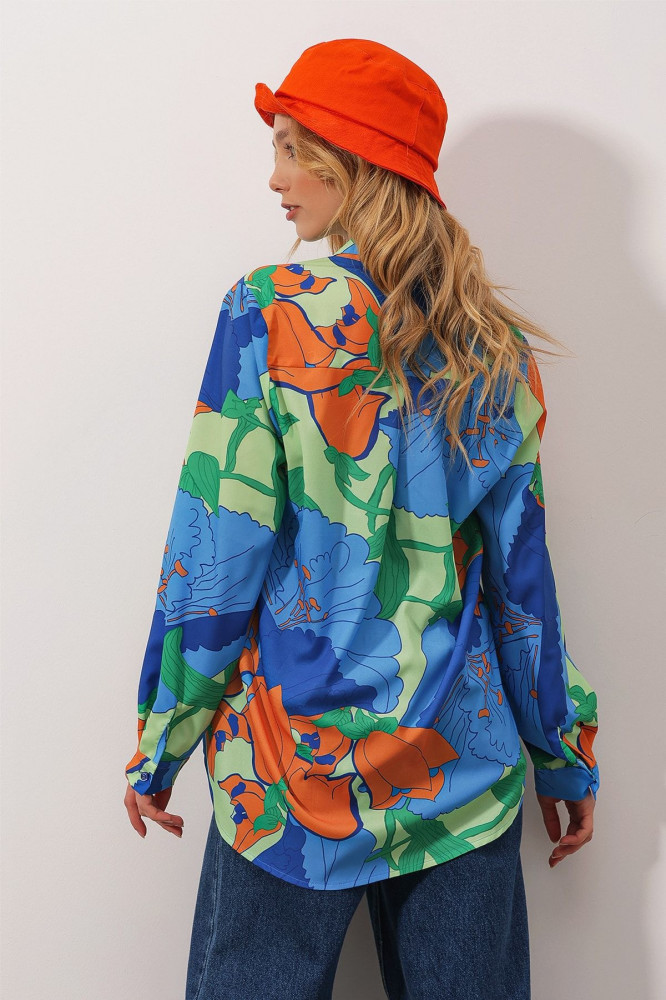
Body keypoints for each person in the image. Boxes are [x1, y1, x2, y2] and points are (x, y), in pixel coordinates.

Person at [123, 38, 598, 1000]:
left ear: (356, 163)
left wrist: (163, 733)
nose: (275, 178)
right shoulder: (491, 346)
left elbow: (215, 550)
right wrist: (562, 751)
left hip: (288, 771)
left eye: (293, 150)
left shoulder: (268, 313)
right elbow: (523, 582)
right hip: (459, 768)